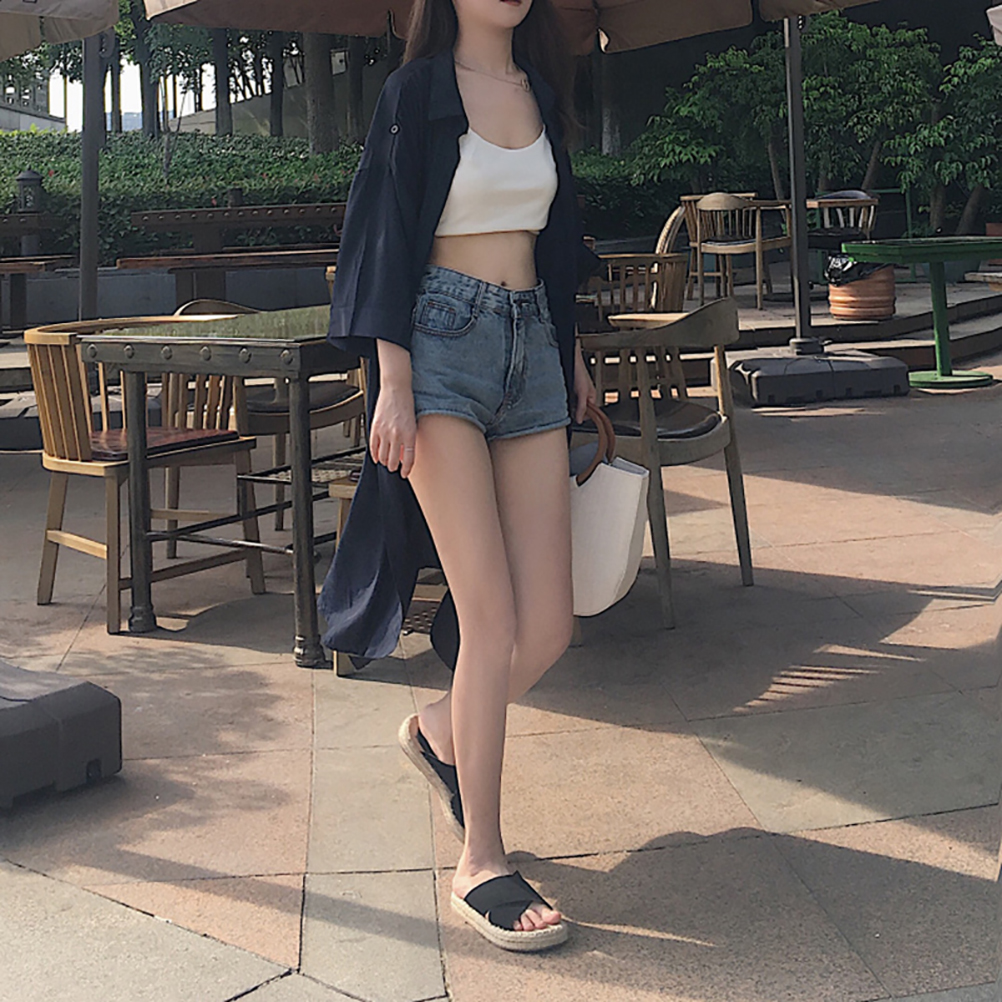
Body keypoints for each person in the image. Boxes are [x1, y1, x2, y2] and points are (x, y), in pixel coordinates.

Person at [321, 0, 598, 952]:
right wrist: (391, 382)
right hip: (439, 346)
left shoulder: (540, 93)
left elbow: (554, 243)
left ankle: (441, 729)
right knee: (491, 620)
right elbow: (381, 236)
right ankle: (481, 858)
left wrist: (570, 353)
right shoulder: (416, 94)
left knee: (549, 624)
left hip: (532, 348)